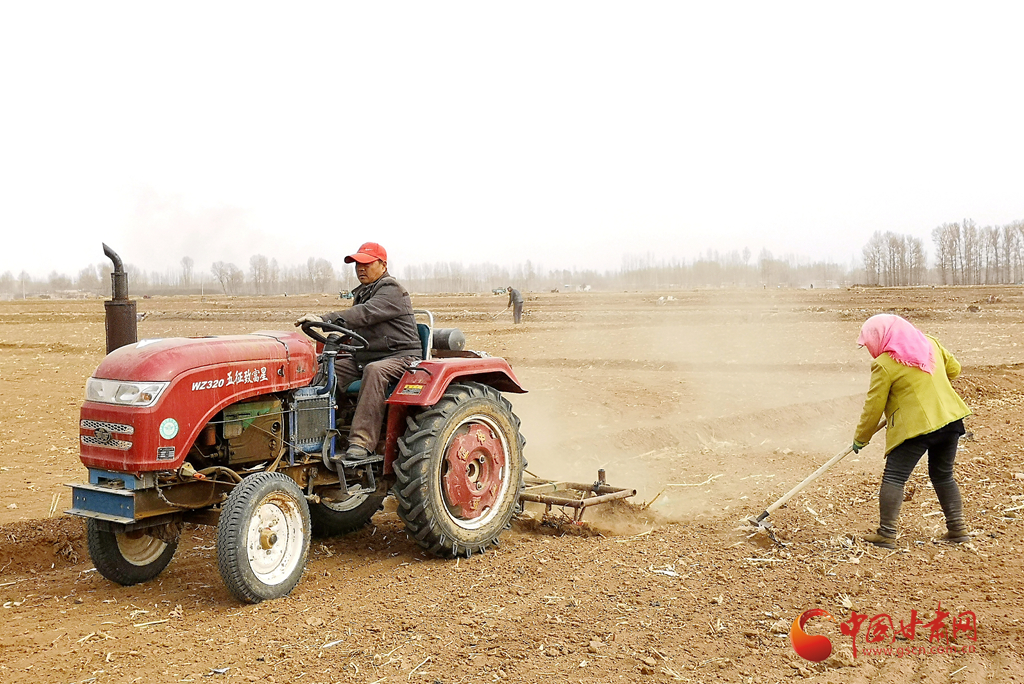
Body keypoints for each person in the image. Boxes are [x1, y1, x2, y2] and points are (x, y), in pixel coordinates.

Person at [852, 314, 972, 549]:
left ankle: (886, 534)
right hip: (950, 420)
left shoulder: (884, 365)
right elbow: (954, 370)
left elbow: (873, 406)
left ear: (881, 338)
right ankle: (958, 530)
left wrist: (861, 437)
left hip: (916, 428)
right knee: (943, 475)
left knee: (895, 477)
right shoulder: (930, 344)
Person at [295, 242, 421, 465]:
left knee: (375, 371)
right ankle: (312, 432)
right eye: (357, 264)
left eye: (366, 263)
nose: (360, 269)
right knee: (326, 369)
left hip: (401, 357)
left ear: (383, 265)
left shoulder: (392, 289)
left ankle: (361, 443)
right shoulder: (363, 292)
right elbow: (355, 325)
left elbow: (364, 314)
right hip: (366, 356)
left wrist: (325, 319)